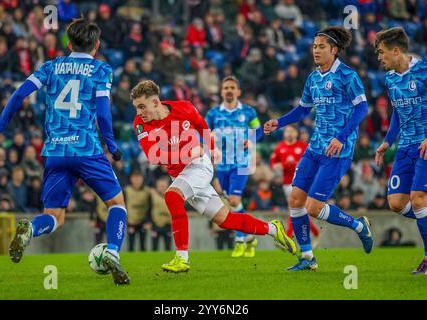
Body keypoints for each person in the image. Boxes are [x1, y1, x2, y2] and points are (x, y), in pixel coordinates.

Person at [0, 19, 129, 285]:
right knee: (116, 203)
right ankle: (112, 253)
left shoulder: (50, 66)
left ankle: (30, 228)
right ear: (96, 45)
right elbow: (103, 112)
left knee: (54, 217)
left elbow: (18, 95)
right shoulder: (101, 69)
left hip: (56, 150)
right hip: (86, 148)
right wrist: (111, 145)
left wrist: (0, 126)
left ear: (68, 43)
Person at [131, 79, 296, 273]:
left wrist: (211, 148)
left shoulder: (183, 108)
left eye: (142, 106)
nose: (139, 112)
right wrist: (187, 153)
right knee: (225, 220)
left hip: (199, 166)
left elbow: (201, 125)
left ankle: (181, 258)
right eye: (136, 108)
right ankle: (273, 229)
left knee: (172, 196)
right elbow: (153, 156)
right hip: (182, 174)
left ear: (156, 102)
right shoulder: (140, 123)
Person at [264, 26, 374, 271]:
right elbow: (303, 109)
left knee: (313, 207)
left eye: (321, 46)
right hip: (315, 148)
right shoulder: (313, 78)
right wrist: (278, 122)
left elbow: (362, 109)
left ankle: (359, 226)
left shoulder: (347, 75)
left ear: (334, 50)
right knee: (295, 199)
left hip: (338, 151)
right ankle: (307, 257)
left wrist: (342, 137)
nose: (316, 50)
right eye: (314, 46)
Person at [374, 27, 427, 275]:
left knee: (418, 199)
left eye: (382, 52)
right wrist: (388, 140)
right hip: (405, 146)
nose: (379, 58)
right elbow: (397, 111)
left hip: (424, 144)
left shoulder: (424, 71)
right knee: (396, 202)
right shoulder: (391, 78)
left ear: (397, 51)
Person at [205, 75, 263, 258]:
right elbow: (204, 133)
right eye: (225, 88)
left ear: (238, 91)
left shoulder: (248, 112)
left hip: (241, 163)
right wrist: (210, 144)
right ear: (222, 92)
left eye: (232, 87)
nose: (229, 90)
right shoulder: (213, 114)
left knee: (234, 200)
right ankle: (250, 238)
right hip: (222, 165)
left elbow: (259, 131)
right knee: (232, 203)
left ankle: (239, 240)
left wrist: (251, 139)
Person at [270, 125, 320, 241]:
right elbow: (273, 163)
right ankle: (315, 233)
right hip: (286, 183)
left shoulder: (303, 147)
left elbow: (310, 163)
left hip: (302, 183)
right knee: (299, 210)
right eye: (287, 131)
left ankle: (288, 236)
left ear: (296, 133)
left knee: (294, 209)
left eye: (291, 131)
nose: (289, 133)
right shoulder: (279, 147)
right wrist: (280, 166)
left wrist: (286, 165)